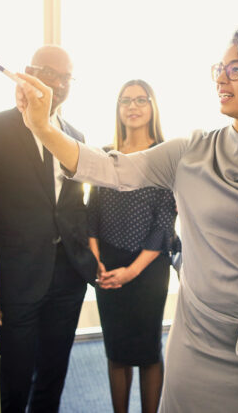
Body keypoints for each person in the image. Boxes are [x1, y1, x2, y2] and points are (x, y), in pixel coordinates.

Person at [15, 16, 238, 412]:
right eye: (219, 69)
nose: (221, 79)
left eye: (235, 70)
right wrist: (43, 129)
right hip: (199, 341)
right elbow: (109, 168)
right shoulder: (189, 153)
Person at [0, 45, 97, 413]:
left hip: (67, 274)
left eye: (65, 77)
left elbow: (72, 204)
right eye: (49, 72)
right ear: (28, 72)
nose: (57, 83)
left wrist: (87, 256)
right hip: (18, 277)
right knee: (15, 378)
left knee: (53, 374)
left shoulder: (75, 134)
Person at [87, 79, 179, 413]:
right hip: (108, 264)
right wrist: (96, 260)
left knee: (148, 350)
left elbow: (164, 222)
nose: (133, 106)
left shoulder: (166, 155)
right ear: (118, 108)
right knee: (117, 349)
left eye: (141, 99)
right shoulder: (105, 154)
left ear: (153, 106)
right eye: (126, 100)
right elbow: (92, 211)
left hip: (149, 267)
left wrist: (132, 272)